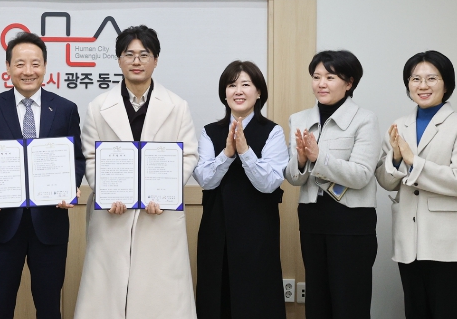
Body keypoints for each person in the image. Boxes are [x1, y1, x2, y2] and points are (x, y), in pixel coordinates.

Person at [74, 25, 198, 319]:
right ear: (119, 60)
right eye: (129, 54)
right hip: (112, 215)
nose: (136, 61)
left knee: (160, 298)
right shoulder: (98, 107)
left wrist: (165, 193)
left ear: (156, 60)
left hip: (160, 214)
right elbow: (90, 156)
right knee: (107, 297)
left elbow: (188, 155)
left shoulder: (177, 106)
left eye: (144, 54)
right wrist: (107, 192)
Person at [0, 32, 85, 319]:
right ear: (8, 67)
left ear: (45, 67)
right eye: (20, 64)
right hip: (2, 223)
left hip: (49, 222)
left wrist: (70, 186)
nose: (28, 71)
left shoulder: (65, 109)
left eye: (35, 63)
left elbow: (76, 158)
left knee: (49, 307)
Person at [284, 50, 381, 319]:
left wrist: (318, 157)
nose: (321, 83)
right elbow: (294, 178)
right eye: (316, 77)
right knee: (317, 301)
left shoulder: (365, 119)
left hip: (352, 222)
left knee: (349, 303)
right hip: (312, 219)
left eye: (330, 77)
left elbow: (362, 174)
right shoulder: (299, 119)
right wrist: (301, 161)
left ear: (349, 83)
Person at [193, 60, 287, 319]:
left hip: (258, 229)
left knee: (256, 296)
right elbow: (205, 180)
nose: (238, 91)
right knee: (216, 294)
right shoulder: (209, 132)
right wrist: (227, 153)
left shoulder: (273, 132)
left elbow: (269, 184)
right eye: (232, 85)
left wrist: (245, 152)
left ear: (259, 92)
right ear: (224, 93)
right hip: (216, 227)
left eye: (246, 84)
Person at [375, 50, 457, 319]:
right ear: (408, 84)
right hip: (408, 238)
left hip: (447, 240)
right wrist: (397, 159)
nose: (423, 85)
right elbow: (386, 181)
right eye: (415, 79)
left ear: (447, 84)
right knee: (415, 310)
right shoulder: (399, 126)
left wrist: (414, 161)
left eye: (432, 78)